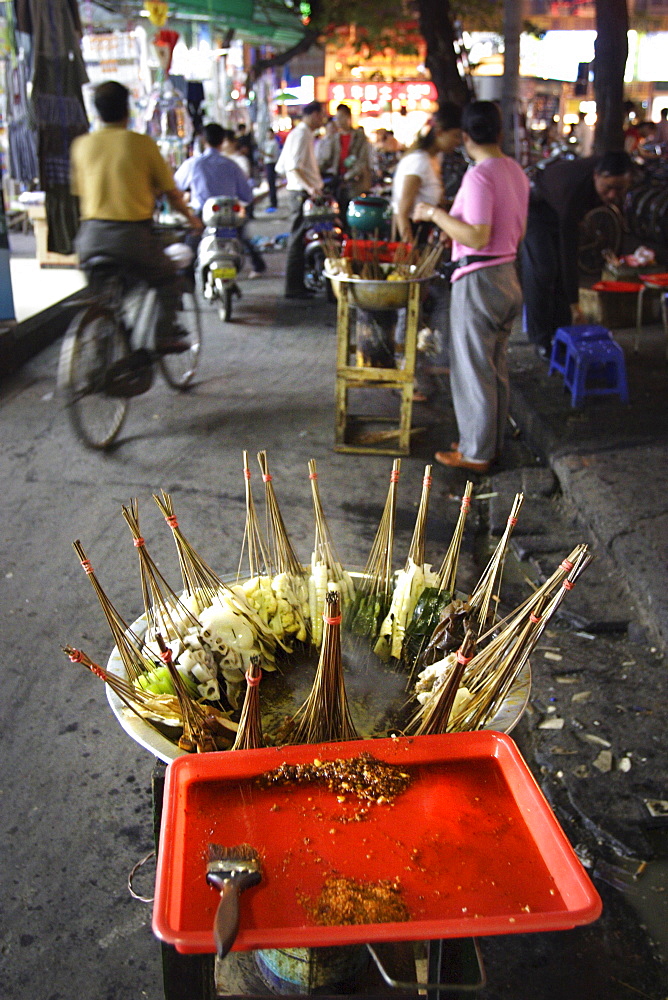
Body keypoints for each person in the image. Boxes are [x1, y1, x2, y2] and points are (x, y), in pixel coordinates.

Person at [413, 100, 530, 473]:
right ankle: (483, 443)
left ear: (465, 136)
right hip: (507, 275)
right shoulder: (514, 170)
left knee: (473, 370)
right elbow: (518, 230)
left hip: (480, 280)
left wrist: (433, 213)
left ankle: (477, 452)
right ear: (498, 132)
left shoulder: (480, 175)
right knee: (493, 368)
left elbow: (477, 236)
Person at [70, 80, 202, 354]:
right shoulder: (141, 144)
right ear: (127, 110)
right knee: (167, 278)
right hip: (132, 239)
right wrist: (192, 221)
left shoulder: (81, 145)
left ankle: (106, 341)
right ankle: (162, 335)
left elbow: (80, 192)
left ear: (97, 111)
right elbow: (172, 194)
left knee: (106, 299)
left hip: (89, 239)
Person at [521, 150, 633, 358]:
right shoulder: (572, 189)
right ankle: (541, 339)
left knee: (561, 277)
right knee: (545, 270)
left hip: (559, 211)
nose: (612, 195)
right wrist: (575, 303)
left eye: (620, 189)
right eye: (608, 189)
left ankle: (563, 333)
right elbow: (568, 251)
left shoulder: (606, 172)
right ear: (596, 176)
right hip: (534, 209)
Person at [187, 122, 266, 277]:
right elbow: (247, 196)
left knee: (190, 247)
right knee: (240, 237)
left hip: (203, 216)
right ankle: (258, 265)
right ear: (223, 140)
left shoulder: (194, 164)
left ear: (204, 140)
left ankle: (186, 289)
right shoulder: (232, 165)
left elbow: (176, 185)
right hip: (230, 216)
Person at [275, 99, 325, 299]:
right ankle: (293, 287)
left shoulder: (301, 134)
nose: (323, 119)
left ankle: (297, 284)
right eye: (322, 115)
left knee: (300, 238)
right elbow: (292, 167)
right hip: (301, 193)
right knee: (297, 239)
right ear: (313, 114)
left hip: (300, 191)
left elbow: (281, 167)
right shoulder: (302, 134)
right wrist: (310, 187)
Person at [391, 104, 462, 243]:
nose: (457, 142)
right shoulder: (419, 161)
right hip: (414, 234)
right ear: (440, 133)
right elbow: (402, 212)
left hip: (423, 235)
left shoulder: (433, 159)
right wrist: (410, 250)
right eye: (455, 136)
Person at [315, 103, 372, 222]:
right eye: (337, 118)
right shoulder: (335, 138)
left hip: (355, 184)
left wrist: (349, 175)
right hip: (338, 183)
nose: (338, 121)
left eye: (341, 117)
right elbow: (326, 160)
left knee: (353, 216)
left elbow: (362, 161)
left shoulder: (359, 137)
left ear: (348, 118)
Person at [260, 127, 281, 211]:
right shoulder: (266, 143)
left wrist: (264, 153)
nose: (268, 135)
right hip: (267, 164)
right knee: (270, 184)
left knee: (272, 184)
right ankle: (272, 201)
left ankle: (274, 203)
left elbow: (273, 155)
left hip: (272, 164)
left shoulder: (274, 143)